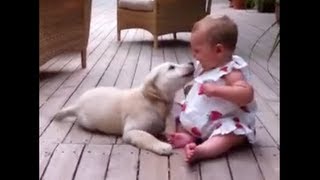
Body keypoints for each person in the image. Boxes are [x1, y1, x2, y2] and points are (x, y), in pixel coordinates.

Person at [168, 15, 257, 163]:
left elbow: (246, 95)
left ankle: (202, 150)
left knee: (229, 135)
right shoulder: (205, 67)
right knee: (178, 114)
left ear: (218, 50)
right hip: (201, 119)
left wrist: (217, 90)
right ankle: (189, 136)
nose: (194, 55)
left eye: (197, 51)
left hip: (222, 121)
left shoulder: (231, 71)